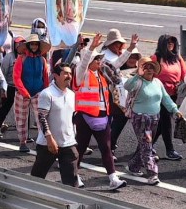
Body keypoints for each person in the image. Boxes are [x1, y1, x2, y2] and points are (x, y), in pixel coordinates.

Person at [72, 33, 127, 191]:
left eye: (99, 59)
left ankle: (113, 178)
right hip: (84, 116)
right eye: (96, 59)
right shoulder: (80, 74)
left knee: (106, 147)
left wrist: (129, 49)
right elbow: (83, 64)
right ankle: (74, 175)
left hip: (102, 116)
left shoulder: (102, 74)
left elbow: (117, 63)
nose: (99, 61)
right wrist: (90, 49)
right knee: (81, 148)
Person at [123, 59, 182, 186]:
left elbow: (166, 98)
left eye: (151, 67)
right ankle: (153, 174)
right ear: (141, 69)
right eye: (146, 67)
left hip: (155, 118)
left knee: (145, 144)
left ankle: (133, 166)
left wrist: (175, 110)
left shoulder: (157, 82)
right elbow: (126, 86)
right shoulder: (137, 81)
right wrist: (137, 74)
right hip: (140, 118)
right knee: (147, 145)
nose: (149, 69)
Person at [29, 62, 79, 186]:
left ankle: (69, 204)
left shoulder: (72, 94)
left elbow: (72, 118)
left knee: (71, 182)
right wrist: (49, 138)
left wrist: (74, 136)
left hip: (68, 143)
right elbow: (41, 117)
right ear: (56, 76)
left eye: (70, 73)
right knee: (37, 179)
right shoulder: (47, 94)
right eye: (65, 73)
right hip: (48, 145)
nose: (69, 76)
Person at [101, 29, 141, 149]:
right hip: (109, 91)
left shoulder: (115, 52)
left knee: (118, 118)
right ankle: (108, 145)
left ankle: (109, 143)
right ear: (110, 44)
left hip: (117, 91)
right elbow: (116, 64)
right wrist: (130, 48)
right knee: (115, 118)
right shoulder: (106, 55)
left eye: (119, 43)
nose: (118, 45)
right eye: (116, 43)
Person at [151, 34, 186, 161]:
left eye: (173, 42)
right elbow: (148, 75)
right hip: (159, 95)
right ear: (162, 44)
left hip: (174, 94)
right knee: (166, 122)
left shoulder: (177, 58)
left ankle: (147, 145)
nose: (171, 44)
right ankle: (169, 150)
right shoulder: (156, 58)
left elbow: (185, 75)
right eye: (168, 42)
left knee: (162, 124)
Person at [13, 33, 51, 153]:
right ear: (28, 45)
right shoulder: (21, 59)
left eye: (36, 44)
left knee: (42, 119)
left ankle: (42, 142)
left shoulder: (42, 60)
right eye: (32, 44)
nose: (34, 46)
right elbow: (16, 78)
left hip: (38, 93)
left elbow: (45, 78)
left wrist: (46, 92)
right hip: (22, 94)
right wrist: (24, 92)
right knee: (21, 119)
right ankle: (22, 142)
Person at [0, 36, 22, 138]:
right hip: (10, 86)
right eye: (18, 43)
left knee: (23, 112)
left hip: (21, 88)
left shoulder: (26, 57)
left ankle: (23, 135)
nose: (20, 46)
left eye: (22, 43)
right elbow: (2, 73)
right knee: (4, 109)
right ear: (14, 45)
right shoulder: (9, 57)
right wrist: (2, 88)